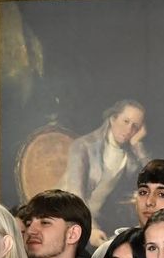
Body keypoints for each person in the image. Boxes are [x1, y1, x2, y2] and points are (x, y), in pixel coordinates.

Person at [59, 99, 150, 245]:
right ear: (113, 118)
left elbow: (155, 176)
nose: (129, 130)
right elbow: (75, 195)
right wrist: (91, 229)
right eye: (125, 121)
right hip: (67, 217)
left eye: (135, 126)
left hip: (98, 221)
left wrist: (137, 144)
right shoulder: (83, 146)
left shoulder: (129, 154)